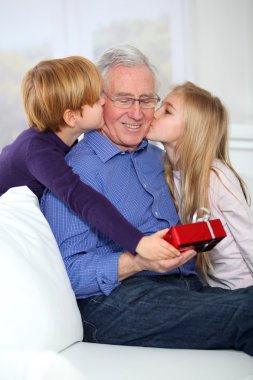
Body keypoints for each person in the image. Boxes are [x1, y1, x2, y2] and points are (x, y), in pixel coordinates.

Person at [41, 45, 253, 356]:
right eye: (124, 99)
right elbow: (67, 274)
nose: (138, 113)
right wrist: (137, 260)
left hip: (185, 288)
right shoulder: (75, 173)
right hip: (118, 302)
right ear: (97, 102)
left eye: (147, 100)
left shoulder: (159, 157)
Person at [0, 55, 177, 261]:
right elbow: (83, 199)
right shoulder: (39, 152)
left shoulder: (64, 142)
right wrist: (138, 242)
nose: (103, 101)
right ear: (71, 117)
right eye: (95, 99)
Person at [147, 81, 253, 289]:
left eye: (167, 111)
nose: (155, 114)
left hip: (243, 292)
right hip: (209, 292)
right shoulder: (169, 174)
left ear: (191, 130)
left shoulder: (216, 176)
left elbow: (249, 240)